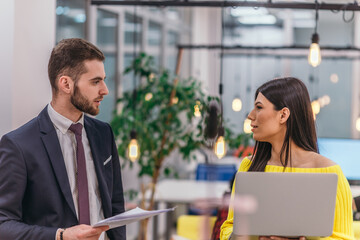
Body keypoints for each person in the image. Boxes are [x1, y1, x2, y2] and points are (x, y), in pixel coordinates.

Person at [0, 38, 126, 240]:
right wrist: (60, 236)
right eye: (95, 82)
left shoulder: (104, 133)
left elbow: (115, 203)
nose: (105, 90)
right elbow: (3, 224)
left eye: (103, 79)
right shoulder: (19, 145)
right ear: (66, 84)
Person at [220, 77, 354, 240]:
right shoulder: (249, 166)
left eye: (259, 107)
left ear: (283, 115)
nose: (250, 115)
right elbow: (228, 228)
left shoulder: (330, 173)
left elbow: (344, 238)